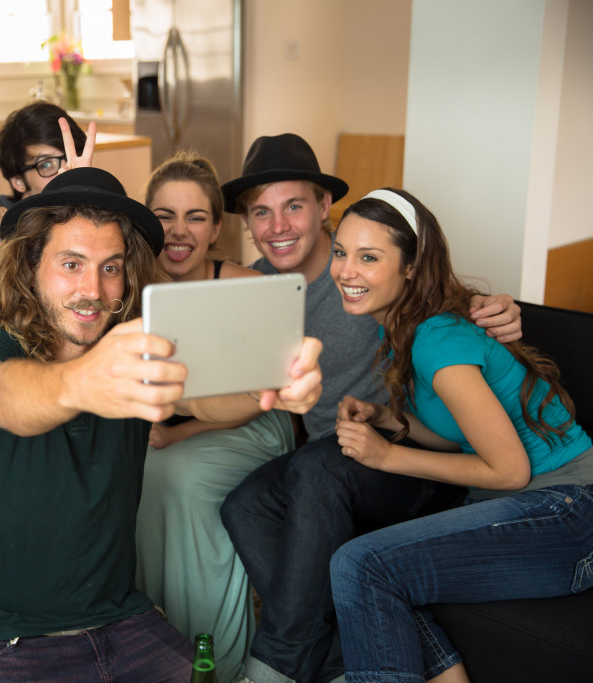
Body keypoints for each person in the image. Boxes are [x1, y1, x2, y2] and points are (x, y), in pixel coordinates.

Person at [0, 166, 324, 681]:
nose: (92, 290)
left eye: (110, 267)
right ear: (31, 266)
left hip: (123, 619)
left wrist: (273, 386)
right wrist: (82, 383)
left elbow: (207, 401)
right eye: (71, 264)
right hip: (11, 637)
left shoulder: (130, 356)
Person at [217, 134, 523, 683]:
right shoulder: (256, 288)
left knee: (314, 470)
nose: (278, 226)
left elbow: (440, 298)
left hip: (412, 455)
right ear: (246, 222)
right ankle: (335, 664)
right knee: (244, 505)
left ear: (324, 208)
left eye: (294, 206)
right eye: (261, 212)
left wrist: (500, 309)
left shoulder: (368, 267)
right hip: (335, 457)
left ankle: (276, 665)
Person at [326, 188, 593, 683]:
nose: (347, 270)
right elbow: (464, 439)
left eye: (369, 257)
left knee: (360, 566)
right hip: (546, 510)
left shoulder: (436, 338)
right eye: (341, 252)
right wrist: (387, 419)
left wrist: (387, 456)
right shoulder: (406, 334)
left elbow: (509, 470)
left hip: (570, 514)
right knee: (377, 564)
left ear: (411, 267)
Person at [134, 150, 296, 681]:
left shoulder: (243, 285)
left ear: (215, 227)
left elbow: (261, 395)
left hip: (251, 422)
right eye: (164, 215)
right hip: (162, 426)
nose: (179, 232)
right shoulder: (128, 285)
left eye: (195, 216)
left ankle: (214, 658)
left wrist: (183, 433)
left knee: (174, 477)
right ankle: (141, 636)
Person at [0, 100, 94, 302]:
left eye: (70, 159)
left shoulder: (96, 215)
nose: (64, 172)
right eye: (46, 165)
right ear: (18, 180)